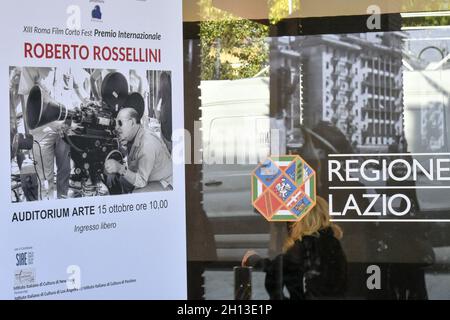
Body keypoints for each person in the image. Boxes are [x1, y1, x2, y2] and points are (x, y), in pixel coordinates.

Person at [242, 196, 347, 300]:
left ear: (302, 219)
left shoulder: (306, 244)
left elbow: (277, 268)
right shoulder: (333, 243)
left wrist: (252, 259)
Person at [104, 107, 172, 192]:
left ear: (132, 123)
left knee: (137, 194)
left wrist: (119, 168)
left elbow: (141, 181)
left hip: (163, 182)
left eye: (120, 123)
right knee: (118, 180)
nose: (116, 128)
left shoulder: (147, 144)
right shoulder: (133, 137)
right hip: (147, 176)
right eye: (115, 123)